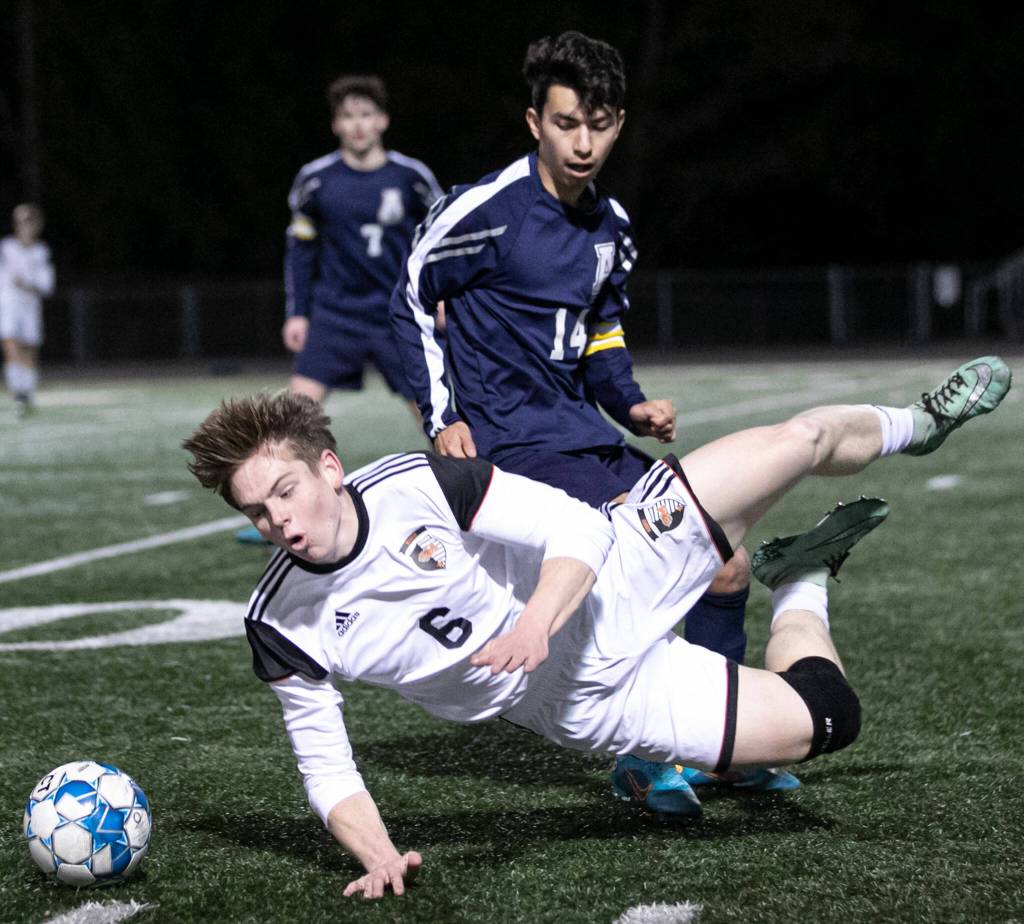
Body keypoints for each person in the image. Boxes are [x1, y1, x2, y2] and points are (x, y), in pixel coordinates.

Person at [183, 355, 1010, 899]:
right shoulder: (280, 622)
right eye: (256, 510)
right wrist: (377, 853)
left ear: (327, 466)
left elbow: (576, 529)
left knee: (801, 438)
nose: (277, 521)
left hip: (613, 572)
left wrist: (539, 618)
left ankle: (917, 423)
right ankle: (801, 580)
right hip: (580, 697)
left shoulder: (418, 483)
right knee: (826, 721)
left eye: (284, 491)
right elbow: (325, 765)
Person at [389, 30, 771, 812]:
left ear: (619, 123)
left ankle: (719, 751)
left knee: (728, 565)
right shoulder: (488, 212)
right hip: (514, 446)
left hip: (582, 435)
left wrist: (630, 401)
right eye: (567, 123)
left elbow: (600, 333)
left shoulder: (614, 228)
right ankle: (646, 755)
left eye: (598, 124)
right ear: (536, 123)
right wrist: (442, 417)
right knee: (639, 580)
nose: (584, 142)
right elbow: (407, 299)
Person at [238, 74, 442, 545]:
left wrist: (438, 299)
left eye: (366, 114)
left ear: (383, 120)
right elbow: (300, 251)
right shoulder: (315, 180)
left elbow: (437, 245)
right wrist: (298, 312)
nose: (358, 124)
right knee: (291, 416)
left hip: (398, 313)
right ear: (336, 124)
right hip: (336, 314)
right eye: (348, 116)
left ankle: (469, 497)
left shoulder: (412, 178)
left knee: (435, 412)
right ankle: (275, 514)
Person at [0, 203, 55, 417]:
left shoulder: (41, 251)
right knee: (11, 346)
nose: (26, 227)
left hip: (30, 306)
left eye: (30, 222)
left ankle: (27, 393)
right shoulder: (6, 247)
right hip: (10, 304)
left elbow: (46, 285)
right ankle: (18, 394)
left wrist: (28, 284)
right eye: (22, 222)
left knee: (29, 351)